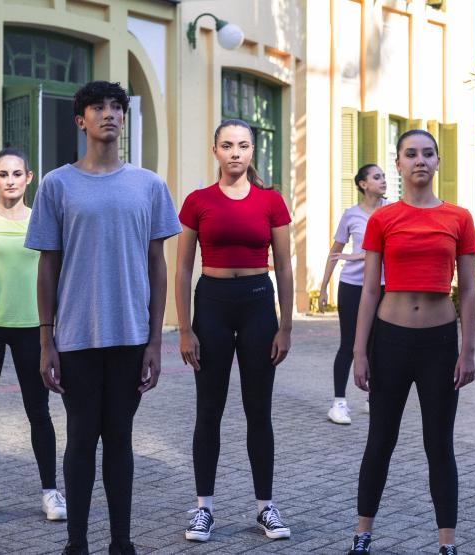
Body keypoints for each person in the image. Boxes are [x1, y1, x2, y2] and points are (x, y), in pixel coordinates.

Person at [24, 81, 181, 555]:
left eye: (117, 107)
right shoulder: (56, 184)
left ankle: (121, 543)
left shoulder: (149, 185)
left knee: (119, 439)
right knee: (80, 439)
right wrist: (46, 341)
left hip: (131, 336)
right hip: (75, 338)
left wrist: (155, 341)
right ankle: (76, 543)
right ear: (81, 120)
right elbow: (47, 267)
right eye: (98, 107)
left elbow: (157, 266)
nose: (109, 113)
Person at [346, 130, 475, 555]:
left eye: (428, 153)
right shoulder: (383, 219)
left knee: (439, 444)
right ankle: (362, 535)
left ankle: (447, 544)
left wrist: (467, 350)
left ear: (438, 161)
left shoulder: (459, 218)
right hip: (390, 342)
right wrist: (359, 352)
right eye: (411, 154)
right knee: (380, 440)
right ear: (399, 164)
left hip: (440, 344)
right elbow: (369, 290)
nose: (420, 160)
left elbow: (468, 291)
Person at [176, 118, 294, 543]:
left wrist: (286, 326)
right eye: (227, 145)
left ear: (252, 151)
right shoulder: (197, 201)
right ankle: (203, 508)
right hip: (212, 305)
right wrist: (184, 329)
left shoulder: (271, 202)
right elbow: (182, 267)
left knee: (258, 410)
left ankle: (266, 507)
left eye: (243, 145)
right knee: (209, 410)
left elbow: (284, 267)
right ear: (216, 151)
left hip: (259, 304)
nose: (235, 153)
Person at [0, 148, 66, 524]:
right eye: (3, 174)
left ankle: (51, 491)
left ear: (29, 177)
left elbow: (55, 278)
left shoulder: (43, 222)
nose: (10, 180)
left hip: (33, 328)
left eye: (17, 173)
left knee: (39, 410)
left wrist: (54, 333)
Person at [318, 164, 389, 424]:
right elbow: (335, 252)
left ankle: (373, 398)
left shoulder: (392, 211)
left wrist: (357, 255)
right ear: (363, 184)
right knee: (349, 344)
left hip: (383, 286)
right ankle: (339, 403)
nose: (383, 180)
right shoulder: (351, 215)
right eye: (377, 177)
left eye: (384, 176)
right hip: (352, 285)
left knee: (377, 345)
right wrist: (323, 288)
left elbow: (388, 247)